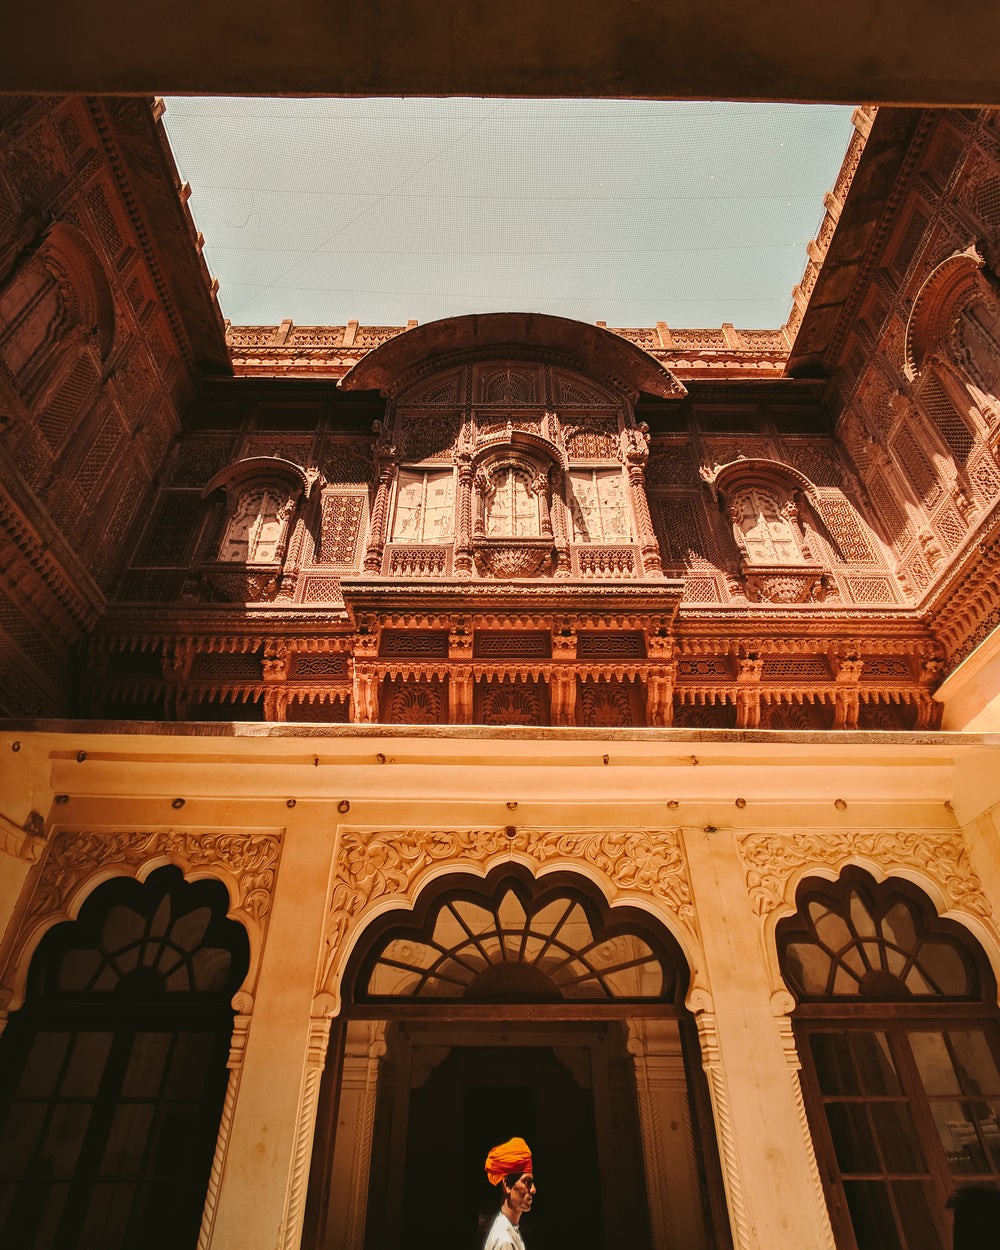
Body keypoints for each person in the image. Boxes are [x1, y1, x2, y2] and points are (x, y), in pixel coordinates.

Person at [482, 1136, 536, 1250]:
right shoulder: (504, 1240)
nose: (533, 1190)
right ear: (507, 1185)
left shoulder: (511, 1228)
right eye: (527, 1182)